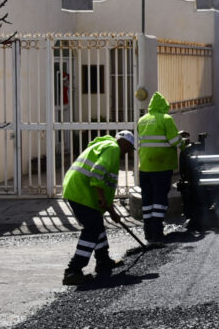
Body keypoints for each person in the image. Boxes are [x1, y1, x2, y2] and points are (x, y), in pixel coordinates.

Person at [61, 130, 135, 285]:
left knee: (97, 225)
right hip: (81, 192)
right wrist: (101, 198)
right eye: (129, 148)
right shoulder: (113, 148)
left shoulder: (104, 145)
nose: (127, 153)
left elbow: (104, 184)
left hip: (79, 189)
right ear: (124, 142)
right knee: (92, 229)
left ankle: (103, 261)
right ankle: (73, 271)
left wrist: (112, 210)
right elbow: (97, 172)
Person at [136, 92, 189, 242]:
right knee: (159, 200)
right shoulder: (166, 119)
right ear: (164, 105)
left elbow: (153, 138)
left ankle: (148, 232)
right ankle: (157, 232)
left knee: (147, 200)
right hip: (161, 167)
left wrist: (176, 135)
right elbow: (174, 141)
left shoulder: (142, 120)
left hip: (145, 167)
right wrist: (184, 143)